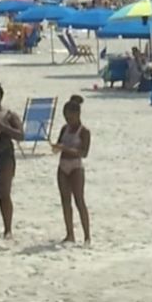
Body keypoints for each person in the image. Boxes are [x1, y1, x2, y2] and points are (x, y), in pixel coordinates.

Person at [0, 75, 24, 238]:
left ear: (1, 95)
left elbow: (21, 135)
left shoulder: (9, 114)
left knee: (4, 194)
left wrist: (3, 128)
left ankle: (8, 229)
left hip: (5, 156)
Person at [54, 95, 92, 244]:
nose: (68, 120)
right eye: (66, 117)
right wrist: (57, 147)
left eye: (70, 117)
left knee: (79, 200)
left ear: (77, 114)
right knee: (65, 201)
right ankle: (70, 234)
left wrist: (66, 149)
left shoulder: (84, 131)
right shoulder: (65, 128)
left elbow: (84, 153)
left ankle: (87, 235)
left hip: (76, 166)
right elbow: (59, 144)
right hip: (63, 165)